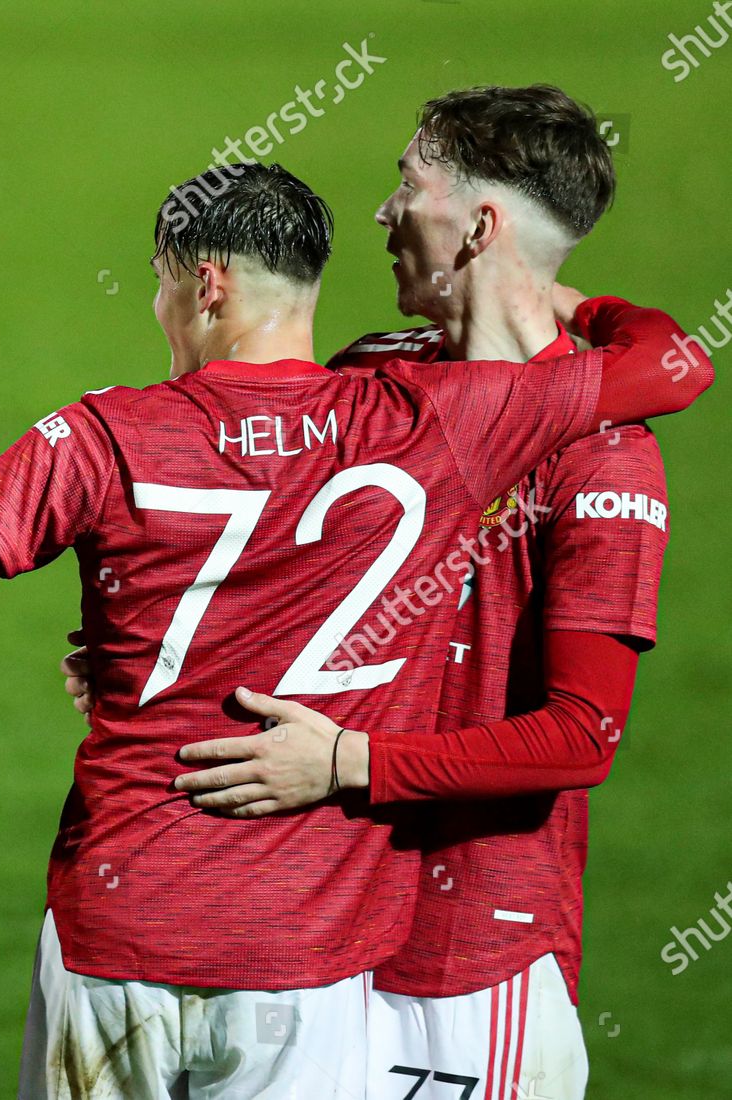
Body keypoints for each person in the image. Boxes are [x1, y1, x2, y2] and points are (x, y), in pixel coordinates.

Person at [0, 161, 710, 1098]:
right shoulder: (428, 420)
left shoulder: (103, 434)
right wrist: (586, 307)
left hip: (117, 915)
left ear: (206, 282)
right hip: (306, 946)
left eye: (160, 280)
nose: (159, 304)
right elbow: (675, 368)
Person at [159, 85, 705, 1099]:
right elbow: (286, 591)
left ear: (480, 225)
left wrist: (347, 761)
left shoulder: (603, 454)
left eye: (409, 184)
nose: (384, 211)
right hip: (302, 928)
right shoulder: (371, 372)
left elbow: (582, 733)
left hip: (463, 964)